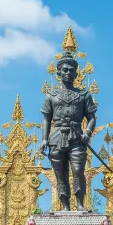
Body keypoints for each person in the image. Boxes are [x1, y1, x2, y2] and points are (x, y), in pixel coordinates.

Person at [40, 51, 97, 211]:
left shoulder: (83, 95)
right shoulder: (51, 96)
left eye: (71, 70)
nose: (68, 73)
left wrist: (87, 133)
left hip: (77, 137)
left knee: (78, 171)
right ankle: (65, 205)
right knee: (60, 174)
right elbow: (46, 118)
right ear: (59, 73)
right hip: (57, 137)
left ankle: (80, 204)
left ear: (76, 72)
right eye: (65, 70)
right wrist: (44, 138)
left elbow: (92, 117)